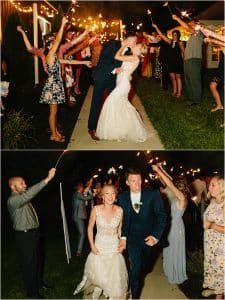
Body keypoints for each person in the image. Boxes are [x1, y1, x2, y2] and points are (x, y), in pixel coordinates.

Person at [39, 17, 92, 143]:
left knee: (55, 111)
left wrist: (84, 62)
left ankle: (55, 131)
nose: (55, 43)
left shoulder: (54, 56)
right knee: (53, 112)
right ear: (48, 45)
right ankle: (53, 135)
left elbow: (67, 60)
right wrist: (62, 25)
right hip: (52, 86)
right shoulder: (50, 55)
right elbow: (58, 41)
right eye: (52, 42)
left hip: (55, 85)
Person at [7, 168, 56, 298]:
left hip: (33, 234)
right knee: (29, 265)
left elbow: (30, 193)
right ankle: (32, 293)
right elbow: (31, 193)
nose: (25, 185)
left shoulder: (22, 197)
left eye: (24, 183)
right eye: (22, 183)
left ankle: (39, 284)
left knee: (38, 261)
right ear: (13, 186)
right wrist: (47, 179)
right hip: (24, 237)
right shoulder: (13, 200)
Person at [118, 167, 166, 299]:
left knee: (146, 267)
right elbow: (124, 220)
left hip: (149, 239)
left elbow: (161, 216)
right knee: (136, 270)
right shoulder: (122, 198)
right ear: (127, 182)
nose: (138, 184)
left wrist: (155, 237)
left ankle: (139, 275)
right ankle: (135, 296)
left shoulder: (153, 194)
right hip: (133, 239)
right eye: (133, 181)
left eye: (139, 180)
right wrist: (123, 238)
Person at [73, 184, 128, 299]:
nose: (110, 196)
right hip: (99, 246)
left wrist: (122, 243)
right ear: (102, 196)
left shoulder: (120, 210)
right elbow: (89, 228)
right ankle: (98, 290)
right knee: (100, 274)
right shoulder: (96, 209)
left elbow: (119, 229)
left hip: (114, 246)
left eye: (113, 193)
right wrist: (92, 245)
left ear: (116, 196)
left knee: (114, 278)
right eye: (107, 193)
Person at [87, 32, 137, 140]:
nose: (135, 43)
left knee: (115, 102)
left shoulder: (128, 51)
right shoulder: (113, 44)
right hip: (102, 75)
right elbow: (103, 61)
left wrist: (129, 75)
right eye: (134, 41)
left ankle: (114, 127)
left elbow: (126, 65)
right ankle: (92, 128)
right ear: (128, 39)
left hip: (114, 80)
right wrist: (114, 69)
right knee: (97, 101)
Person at [95, 43, 149, 142]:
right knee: (121, 105)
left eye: (137, 46)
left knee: (110, 102)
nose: (135, 45)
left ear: (139, 50)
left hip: (123, 85)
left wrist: (123, 46)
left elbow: (117, 56)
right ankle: (122, 129)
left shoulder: (134, 57)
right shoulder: (133, 57)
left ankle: (112, 130)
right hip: (122, 83)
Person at [152, 164, 188, 284]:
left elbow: (170, 184)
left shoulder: (182, 198)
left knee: (174, 249)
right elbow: (169, 182)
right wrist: (161, 171)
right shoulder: (177, 197)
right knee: (169, 249)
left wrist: (158, 170)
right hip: (172, 226)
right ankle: (169, 271)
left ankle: (176, 274)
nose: (173, 188)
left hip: (176, 228)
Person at [172, 14, 204, 105]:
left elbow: (187, 28)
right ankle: (191, 98)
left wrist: (177, 18)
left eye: (190, 23)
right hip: (187, 60)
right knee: (188, 80)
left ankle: (196, 100)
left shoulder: (199, 33)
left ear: (196, 24)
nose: (189, 24)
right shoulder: (191, 36)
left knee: (194, 80)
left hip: (194, 60)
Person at [202, 175, 224, 299]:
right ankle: (217, 290)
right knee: (215, 272)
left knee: (221, 274)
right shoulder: (213, 201)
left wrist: (211, 225)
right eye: (210, 184)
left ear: (221, 187)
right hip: (211, 246)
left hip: (221, 249)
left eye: (213, 185)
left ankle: (219, 295)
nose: (209, 187)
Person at [152, 24, 184, 98]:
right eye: (173, 35)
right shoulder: (170, 42)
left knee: (178, 78)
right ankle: (174, 91)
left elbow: (183, 52)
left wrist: (184, 62)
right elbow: (162, 36)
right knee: (172, 78)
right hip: (170, 62)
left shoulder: (180, 43)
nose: (174, 36)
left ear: (178, 35)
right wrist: (156, 27)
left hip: (178, 62)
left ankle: (179, 93)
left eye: (175, 35)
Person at [72, 181, 93, 256]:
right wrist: (93, 194)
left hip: (76, 216)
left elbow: (85, 192)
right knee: (83, 234)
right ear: (80, 188)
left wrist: (89, 185)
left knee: (80, 234)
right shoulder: (78, 194)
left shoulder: (76, 194)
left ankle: (78, 250)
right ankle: (79, 252)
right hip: (78, 216)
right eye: (82, 187)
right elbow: (87, 197)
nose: (83, 188)